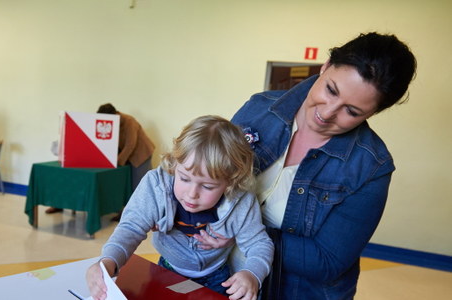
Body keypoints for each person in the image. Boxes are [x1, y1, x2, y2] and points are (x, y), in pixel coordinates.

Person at [196, 32, 417, 299]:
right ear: (324, 66)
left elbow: (328, 260)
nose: (327, 112)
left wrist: (241, 234)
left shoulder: (370, 166)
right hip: (218, 276)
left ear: (373, 113)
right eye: (330, 90)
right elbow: (213, 175)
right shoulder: (259, 108)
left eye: (352, 111)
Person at [85, 115, 274, 300]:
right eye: (183, 178)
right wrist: (108, 261)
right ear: (174, 164)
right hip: (168, 270)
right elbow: (131, 227)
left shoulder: (241, 200)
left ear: (231, 182)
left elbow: (259, 244)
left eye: (207, 186)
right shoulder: (156, 185)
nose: (192, 194)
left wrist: (252, 274)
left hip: (217, 277)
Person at [45, 103, 155, 215]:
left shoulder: (129, 121)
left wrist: (117, 161)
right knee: (124, 184)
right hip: (127, 154)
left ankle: (140, 214)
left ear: (115, 114)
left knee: (138, 185)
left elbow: (130, 145)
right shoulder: (112, 121)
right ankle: (124, 212)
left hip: (141, 154)